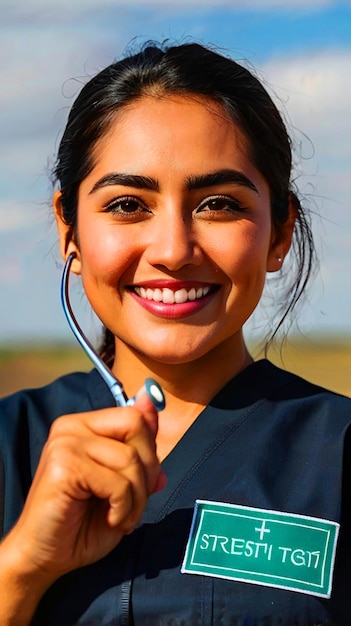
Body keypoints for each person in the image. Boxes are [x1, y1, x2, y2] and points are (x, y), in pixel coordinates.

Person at [0, 41, 350, 625]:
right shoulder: (11, 442)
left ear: (280, 232)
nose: (172, 251)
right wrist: (22, 571)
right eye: (128, 205)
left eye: (217, 203)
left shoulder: (336, 457)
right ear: (70, 232)